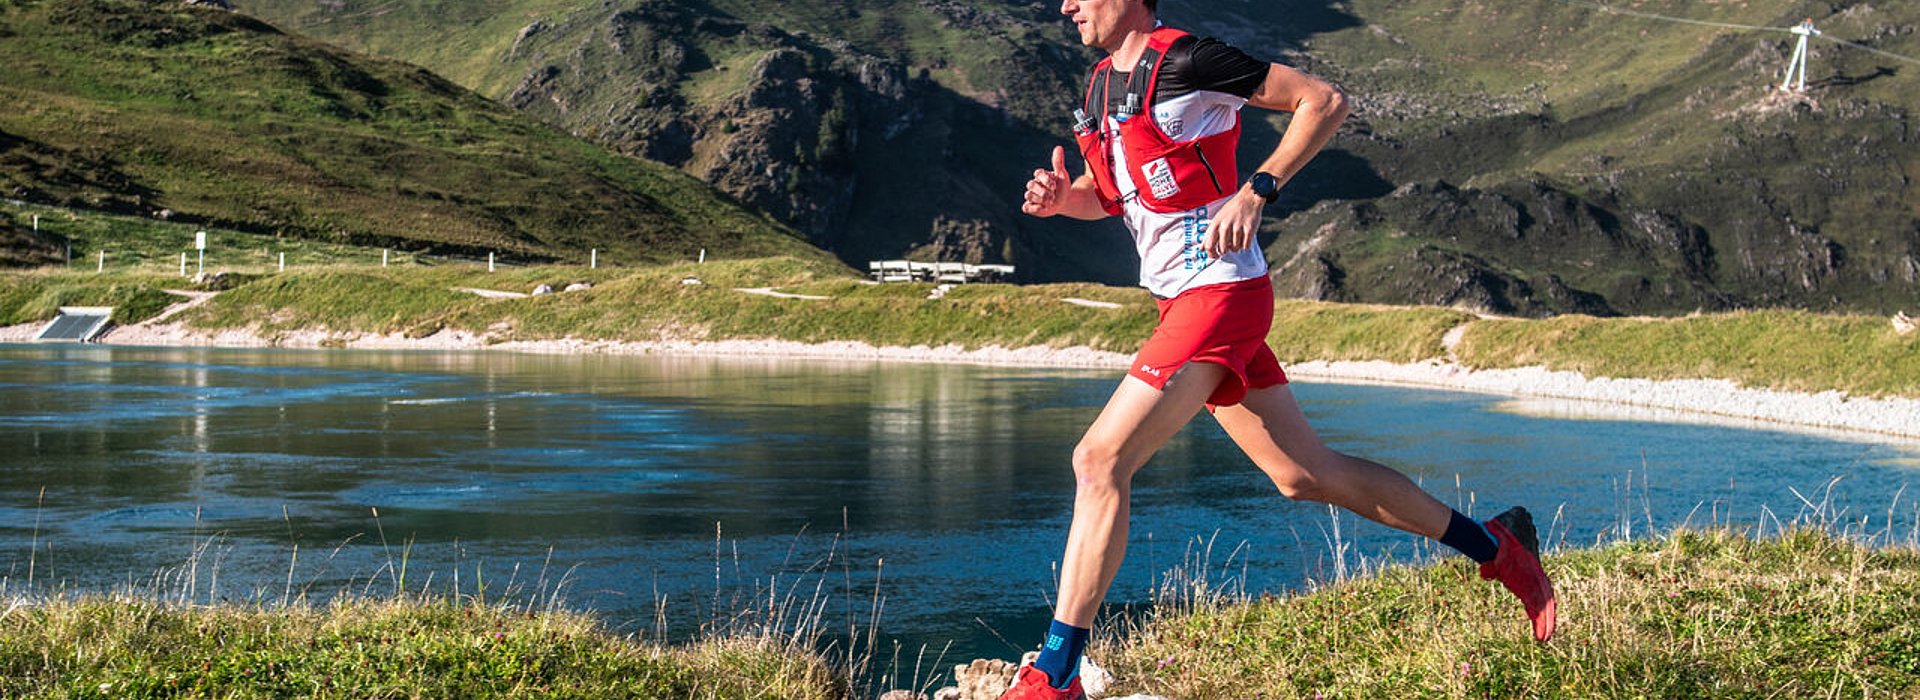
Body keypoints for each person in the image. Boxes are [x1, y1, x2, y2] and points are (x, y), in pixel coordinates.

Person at [1004, 1, 1557, 697]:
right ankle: (1499, 547)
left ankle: (1055, 675)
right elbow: (1113, 196)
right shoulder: (1096, 87)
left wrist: (1257, 189)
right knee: (1303, 475)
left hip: (1221, 293)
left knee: (1098, 459)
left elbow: (1322, 100)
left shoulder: (1186, 60)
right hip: (1183, 301)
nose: (1066, 5)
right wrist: (1064, 199)